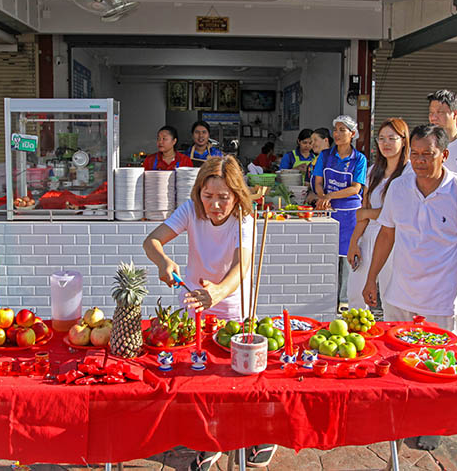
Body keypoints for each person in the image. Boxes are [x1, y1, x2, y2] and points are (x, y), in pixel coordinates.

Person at [143, 156, 277, 470]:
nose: (214, 205)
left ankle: (256, 436)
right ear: (199, 193)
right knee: (195, 378)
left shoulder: (244, 217)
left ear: (236, 196)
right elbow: (151, 241)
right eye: (208, 196)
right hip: (192, 304)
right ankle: (207, 440)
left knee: (237, 381)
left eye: (222, 198)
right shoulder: (191, 210)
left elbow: (242, 265)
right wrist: (163, 262)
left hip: (232, 307)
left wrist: (217, 292)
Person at [362, 124, 457, 450]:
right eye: (414, 154)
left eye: (426, 154)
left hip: (443, 298)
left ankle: (434, 424)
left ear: (444, 155)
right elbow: (387, 233)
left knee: (440, 366)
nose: (418, 160)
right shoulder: (400, 188)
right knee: (400, 362)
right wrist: (372, 277)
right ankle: (404, 419)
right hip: (400, 293)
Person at [346, 118, 411, 310]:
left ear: (404, 140)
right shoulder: (374, 171)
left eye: (392, 138)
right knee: (355, 293)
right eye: (382, 139)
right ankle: (357, 337)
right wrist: (353, 243)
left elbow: (399, 213)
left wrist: (368, 213)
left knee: (390, 298)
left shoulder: (410, 173)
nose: (386, 143)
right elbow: (361, 214)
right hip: (369, 236)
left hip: (396, 238)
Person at [308, 115, 367, 309]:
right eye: (336, 130)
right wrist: (322, 195)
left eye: (343, 130)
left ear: (352, 134)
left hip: (350, 214)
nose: (338, 134)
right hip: (328, 211)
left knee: (348, 258)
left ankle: (345, 300)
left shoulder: (359, 159)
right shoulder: (326, 156)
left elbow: (355, 188)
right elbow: (318, 181)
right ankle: (326, 300)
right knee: (328, 256)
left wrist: (328, 197)